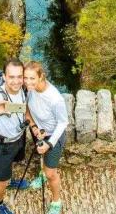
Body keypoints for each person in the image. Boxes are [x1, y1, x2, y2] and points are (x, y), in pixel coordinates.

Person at [24, 61, 68, 214]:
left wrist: (49, 143)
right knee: (43, 164)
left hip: (53, 137)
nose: (28, 82)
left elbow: (63, 122)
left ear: (41, 76)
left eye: (32, 78)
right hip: (39, 132)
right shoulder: (31, 89)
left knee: (51, 173)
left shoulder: (55, 98)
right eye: (25, 78)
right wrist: (35, 127)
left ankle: (56, 201)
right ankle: (41, 175)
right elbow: (27, 108)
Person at [0, 58, 28, 214]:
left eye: (19, 76)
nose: (16, 81)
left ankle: (9, 181)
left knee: (12, 163)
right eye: (11, 77)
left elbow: (22, 108)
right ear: (4, 77)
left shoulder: (22, 89)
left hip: (18, 138)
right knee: (0, 178)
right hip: (2, 145)